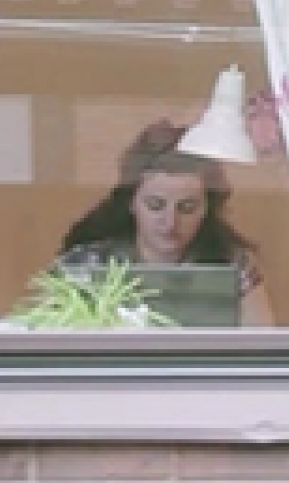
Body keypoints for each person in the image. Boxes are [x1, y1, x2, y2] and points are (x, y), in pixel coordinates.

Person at [56, 119, 274, 328]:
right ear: (131, 202)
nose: (170, 223)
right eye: (155, 205)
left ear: (207, 208)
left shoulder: (234, 268)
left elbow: (261, 346)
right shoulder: (84, 265)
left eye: (187, 208)